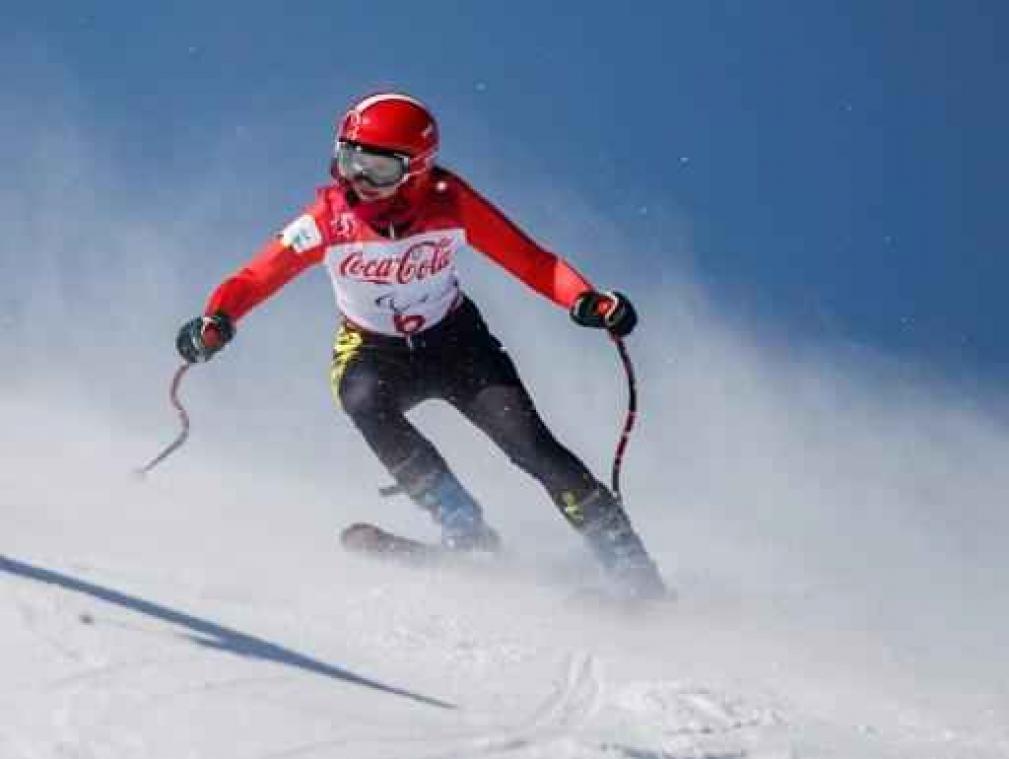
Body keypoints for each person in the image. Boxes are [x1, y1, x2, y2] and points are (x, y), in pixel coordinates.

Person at [176, 92, 666, 599]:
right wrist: (217, 318)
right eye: (349, 160)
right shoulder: (327, 218)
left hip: (457, 345)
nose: (358, 181)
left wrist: (586, 300)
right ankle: (462, 525)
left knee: (532, 446)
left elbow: (533, 262)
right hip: (372, 349)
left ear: (416, 170)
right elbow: (258, 275)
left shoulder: (450, 202)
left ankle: (627, 561)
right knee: (360, 397)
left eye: (377, 169)